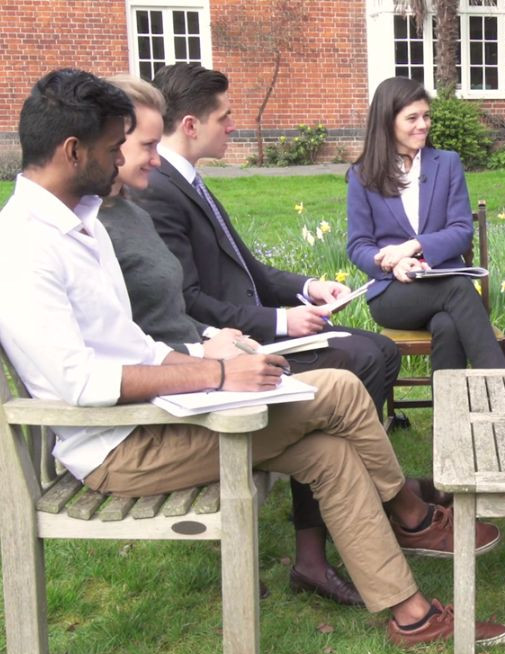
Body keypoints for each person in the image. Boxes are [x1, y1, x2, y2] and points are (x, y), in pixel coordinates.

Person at [0, 68, 505, 649]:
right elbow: (80, 380)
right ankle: (412, 514)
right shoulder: (24, 247)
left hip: (161, 414)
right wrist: (218, 374)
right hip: (119, 447)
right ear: (73, 151)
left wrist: (209, 352)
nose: (126, 156)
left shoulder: (81, 226)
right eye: (116, 146)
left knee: (329, 455)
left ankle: (411, 614)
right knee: (342, 389)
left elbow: (134, 344)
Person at [98, 73, 365, 606]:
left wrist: (299, 294)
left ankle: (371, 543)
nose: (235, 126)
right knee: (346, 376)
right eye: (142, 145)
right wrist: (228, 354)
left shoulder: (145, 201)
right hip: (159, 414)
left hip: (203, 359)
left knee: (351, 379)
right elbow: (165, 317)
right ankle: (393, 511)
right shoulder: (142, 203)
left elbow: (200, 294)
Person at [129, 63, 400, 412]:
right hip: (232, 345)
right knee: (364, 357)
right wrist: (282, 321)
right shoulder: (159, 190)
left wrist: (309, 287)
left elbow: (247, 267)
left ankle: (344, 445)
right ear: (191, 126)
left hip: (254, 329)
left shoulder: (187, 181)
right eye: (224, 117)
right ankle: (316, 445)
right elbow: (188, 301)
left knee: (384, 350)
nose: (233, 127)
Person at [346, 76, 505, 371]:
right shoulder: (362, 175)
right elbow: (358, 245)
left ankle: (448, 416)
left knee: (448, 324)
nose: (423, 125)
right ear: (387, 121)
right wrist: (391, 263)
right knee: (459, 288)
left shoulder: (446, 163)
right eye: (412, 118)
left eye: (426, 116)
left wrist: (413, 246)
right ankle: (504, 392)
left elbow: (461, 231)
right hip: (393, 293)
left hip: (443, 286)